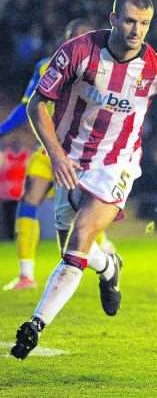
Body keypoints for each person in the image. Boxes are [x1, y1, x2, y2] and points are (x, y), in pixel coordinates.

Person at [11, 0, 157, 360]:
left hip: (117, 163)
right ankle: (109, 265)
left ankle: (35, 324)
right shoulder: (79, 52)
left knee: (78, 241)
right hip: (69, 160)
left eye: (144, 23)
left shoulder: (156, 69)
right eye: (129, 21)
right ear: (113, 19)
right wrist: (56, 154)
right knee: (75, 249)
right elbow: (37, 105)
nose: (136, 30)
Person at [1, 19, 118, 291]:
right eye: (73, 37)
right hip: (48, 150)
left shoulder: (103, 70)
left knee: (86, 208)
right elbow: (27, 106)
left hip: (81, 154)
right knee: (28, 200)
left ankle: (104, 253)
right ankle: (26, 275)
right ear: (65, 39)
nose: (77, 42)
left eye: (82, 37)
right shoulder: (46, 66)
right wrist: (3, 129)